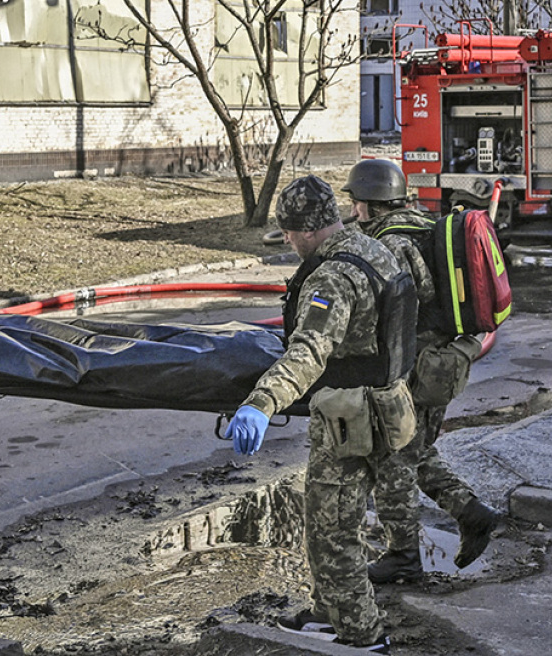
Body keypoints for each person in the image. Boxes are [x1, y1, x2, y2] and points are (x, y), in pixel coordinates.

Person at [225, 174, 416, 654]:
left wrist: (260, 404)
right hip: (388, 405)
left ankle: (361, 634)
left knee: (332, 531)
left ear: (308, 230)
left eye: (289, 234)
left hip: (348, 420)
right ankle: (326, 612)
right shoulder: (374, 249)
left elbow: (308, 350)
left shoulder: (331, 276)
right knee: (339, 521)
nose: (288, 242)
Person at [342, 158, 502, 584]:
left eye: (356, 202)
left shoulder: (390, 244)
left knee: (393, 458)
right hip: (439, 362)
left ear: (370, 204)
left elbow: (405, 307)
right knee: (413, 450)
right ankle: (472, 513)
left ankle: (403, 558)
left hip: (415, 365)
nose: (354, 211)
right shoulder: (420, 223)